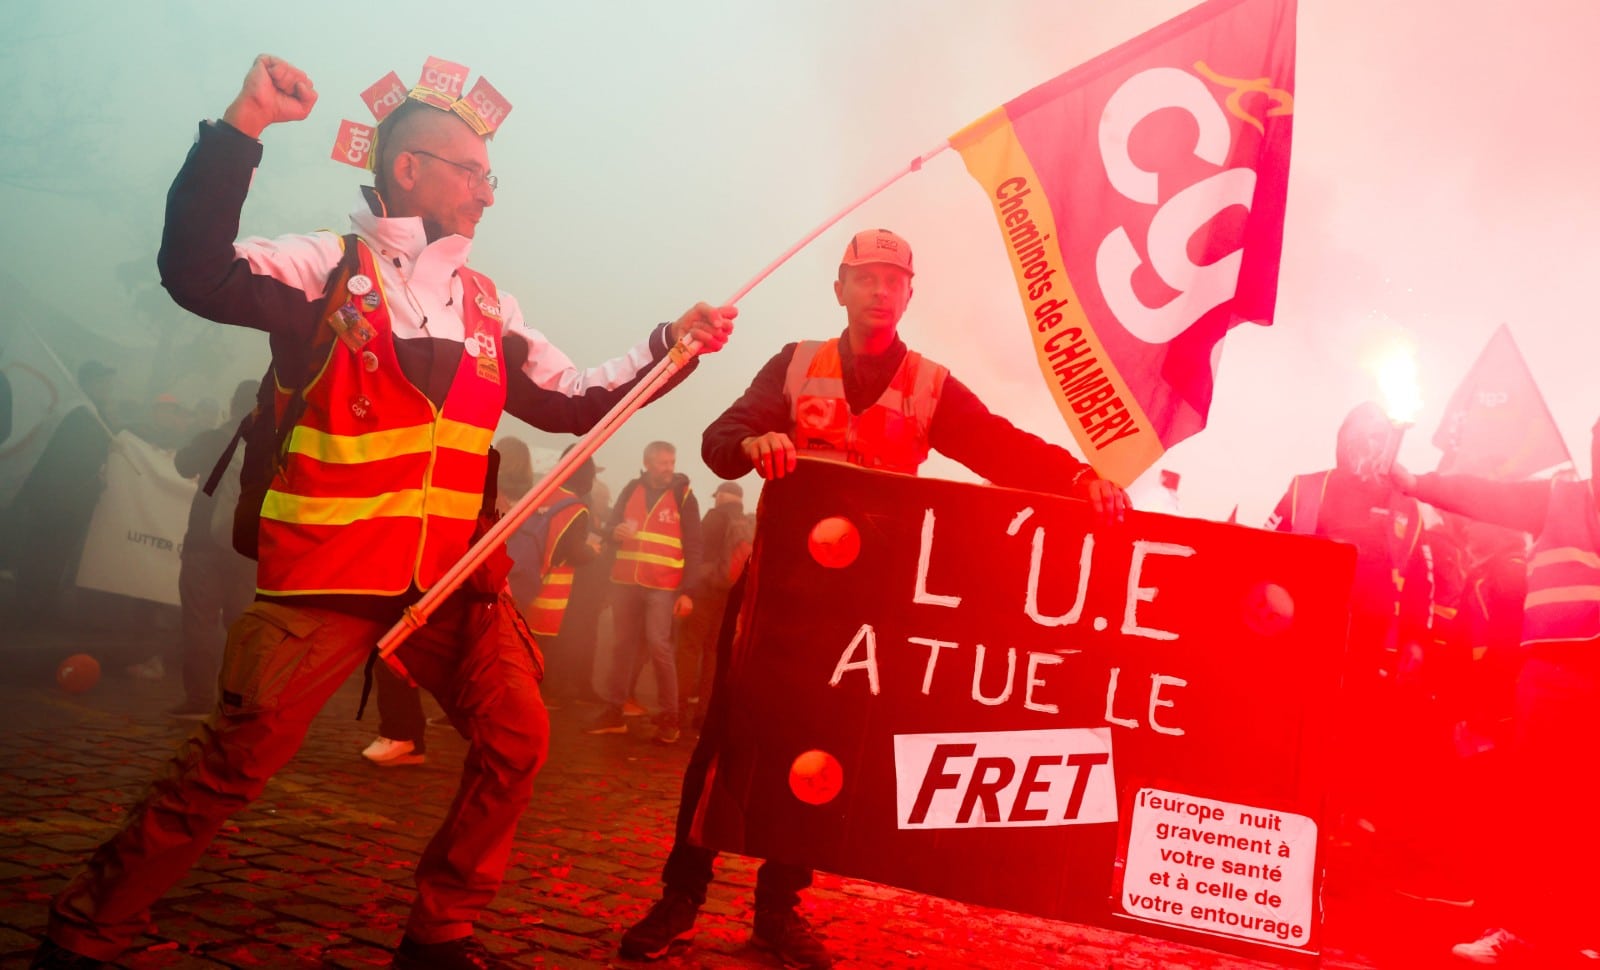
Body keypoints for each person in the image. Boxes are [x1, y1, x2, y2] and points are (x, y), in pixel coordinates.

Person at [29, 54, 733, 970]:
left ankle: (439, 937)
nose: (489, 195)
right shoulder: (324, 268)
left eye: (492, 176)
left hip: (447, 590)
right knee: (230, 767)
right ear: (410, 170)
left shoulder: (489, 304)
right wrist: (243, 126)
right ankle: (82, 934)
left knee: (519, 739)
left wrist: (668, 346)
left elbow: (575, 400)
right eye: (474, 173)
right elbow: (195, 270)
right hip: (325, 579)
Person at [618, 228, 1129, 968]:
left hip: (860, 617)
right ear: (841, 288)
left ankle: (778, 908)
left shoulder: (929, 384)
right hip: (772, 599)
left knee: (823, 755)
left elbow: (998, 446)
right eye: (866, 278)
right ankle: (681, 895)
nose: (880, 290)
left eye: (894, 280)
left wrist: (1077, 478)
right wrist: (753, 445)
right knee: (724, 744)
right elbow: (719, 435)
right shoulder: (794, 365)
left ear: (910, 293)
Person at [1392, 449, 1600, 967]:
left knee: (1587, 810)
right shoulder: (1559, 497)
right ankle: (1517, 930)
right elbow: (1487, 495)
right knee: (1534, 804)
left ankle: (1581, 934)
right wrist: (1416, 480)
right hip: (1553, 671)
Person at [587, 440, 701, 744]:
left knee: (659, 647)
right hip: (626, 581)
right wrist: (615, 532)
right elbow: (611, 527)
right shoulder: (631, 489)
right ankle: (614, 712)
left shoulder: (684, 495)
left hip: (663, 585)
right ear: (648, 463)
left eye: (671, 462)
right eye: (663, 463)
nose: (669, 469)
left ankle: (670, 717)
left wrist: (688, 591)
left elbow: (694, 546)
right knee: (622, 645)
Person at [162, 380, 260, 719]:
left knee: (200, 622)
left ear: (233, 404)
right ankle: (237, 700)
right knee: (242, 626)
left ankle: (199, 699)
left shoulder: (215, 437)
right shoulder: (272, 443)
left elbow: (183, 465)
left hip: (204, 543)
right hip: (246, 550)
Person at [9, 360, 115, 628]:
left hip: (74, 500)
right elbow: (66, 457)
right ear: (88, 383)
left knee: (56, 554)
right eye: (102, 381)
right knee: (42, 552)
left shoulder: (97, 415)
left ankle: (40, 605)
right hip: (54, 497)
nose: (107, 387)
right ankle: (28, 608)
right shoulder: (73, 413)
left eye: (108, 382)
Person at [510, 444, 602, 707]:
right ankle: (527, 701)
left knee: (515, 641)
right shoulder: (576, 507)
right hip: (550, 588)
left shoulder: (542, 493)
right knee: (537, 648)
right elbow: (572, 552)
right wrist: (593, 551)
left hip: (521, 577)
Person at [675, 480, 749, 730]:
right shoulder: (748, 522)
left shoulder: (715, 517)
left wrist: (688, 588)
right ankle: (704, 713)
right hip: (728, 596)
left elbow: (696, 552)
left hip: (705, 592)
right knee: (713, 654)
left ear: (720, 496)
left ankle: (677, 709)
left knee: (689, 647)